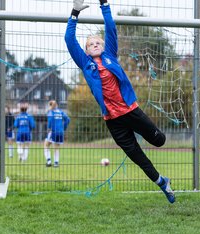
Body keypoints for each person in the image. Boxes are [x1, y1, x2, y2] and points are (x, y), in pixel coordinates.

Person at [65, 0, 175, 203]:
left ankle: (154, 147)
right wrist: (74, 13)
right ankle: (162, 182)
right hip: (113, 121)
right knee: (137, 157)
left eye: (98, 42)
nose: (95, 45)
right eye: (90, 44)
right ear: (86, 51)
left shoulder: (110, 57)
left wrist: (104, 4)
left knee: (159, 141)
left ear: (104, 46)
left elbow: (111, 28)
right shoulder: (85, 63)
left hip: (131, 111)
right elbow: (69, 40)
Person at [44, 100, 70, 167]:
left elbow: (50, 121)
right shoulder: (61, 112)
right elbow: (68, 119)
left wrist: (49, 128)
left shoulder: (51, 112)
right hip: (60, 132)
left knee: (46, 145)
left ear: (50, 106)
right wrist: (63, 127)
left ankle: (49, 161)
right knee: (57, 147)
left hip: (53, 131)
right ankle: (56, 163)